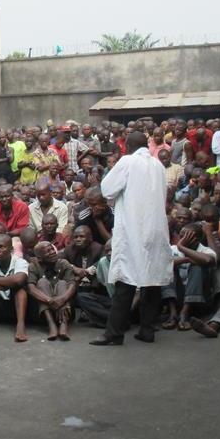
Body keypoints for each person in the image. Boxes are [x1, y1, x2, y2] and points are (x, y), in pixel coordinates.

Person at [91, 131, 172, 346]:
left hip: (134, 229)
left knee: (125, 281)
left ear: (127, 146)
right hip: (155, 229)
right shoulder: (158, 165)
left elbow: (107, 189)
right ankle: (147, 330)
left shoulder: (127, 162)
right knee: (151, 280)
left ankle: (114, 333)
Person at [27, 241, 77, 341]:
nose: (53, 252)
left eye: (52, 249)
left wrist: (62, 299)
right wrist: (49, 300)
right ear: (39, 258)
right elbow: (31, 288)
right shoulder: (33, 266)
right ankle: (51, 324)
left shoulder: (63, 263)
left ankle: (63, 324)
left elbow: (72, 284)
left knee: (62, 283)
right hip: (44, 312)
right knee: (42, 282)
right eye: (48, 251)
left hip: (64, 308)